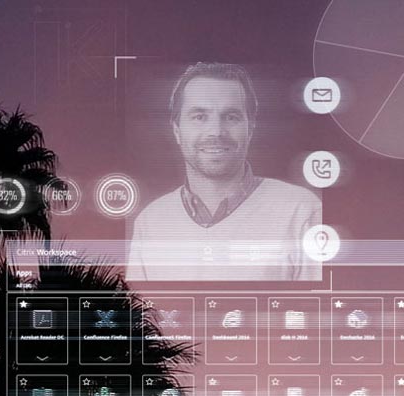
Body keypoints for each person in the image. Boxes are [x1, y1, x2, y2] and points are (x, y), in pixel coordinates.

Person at [127, 61, 323, 281]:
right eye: (199, 116)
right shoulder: (150, 222)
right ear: (176, 130)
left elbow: (319, 312)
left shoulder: (301, 211)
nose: (216, 131)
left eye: (231, 117)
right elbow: (136, 314)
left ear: (250, 129)